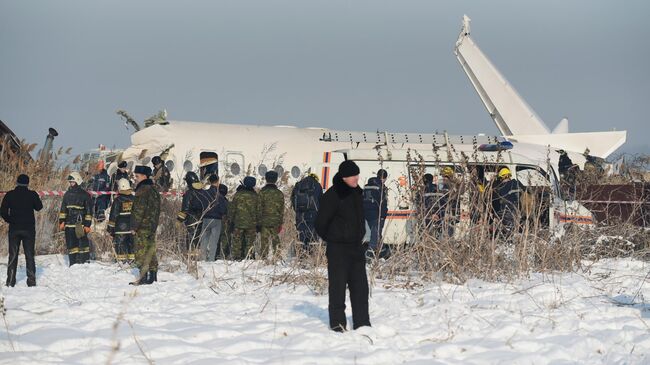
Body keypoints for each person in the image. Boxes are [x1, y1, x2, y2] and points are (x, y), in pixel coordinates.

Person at [315, 160, 370, 332]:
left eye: (357, 174)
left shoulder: (357, 193)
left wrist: (362, 239)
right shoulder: (332, 195)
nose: (357, 178)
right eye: (353, 175)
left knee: (360, 288)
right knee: (337, 288)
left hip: (356, 248)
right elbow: (320, 223)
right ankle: (338, 324)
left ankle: (362, 323)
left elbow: (361, 220)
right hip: (338, 249)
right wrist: (334, 238)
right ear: (344, 177)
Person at [1, 174, 43, 287]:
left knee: (13, 255)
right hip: (29, 229)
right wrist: (35, 197)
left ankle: (10, 281)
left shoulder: (10, 195)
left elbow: (3, 211)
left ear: (17, 182)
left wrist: (9, 220)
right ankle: (31, 281)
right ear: (28, 183)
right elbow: (39, 207)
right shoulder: (32, 194)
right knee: (29, 255)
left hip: (14, 229)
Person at [130, 165, 161, 285]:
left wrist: (134, 227)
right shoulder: (154, 190)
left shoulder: (142, 190)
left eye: (137, 176)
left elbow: (139, 210)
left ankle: (143, 277)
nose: (135, 178)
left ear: (144, 176)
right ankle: (153, 276)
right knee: (150, 250)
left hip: (142, 227)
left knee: (140, 252)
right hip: (151, 226)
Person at [59, 172, 93, 266]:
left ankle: (84, 263)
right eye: (70, 182)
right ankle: (73, 263)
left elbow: (89, 211)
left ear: (78, 181)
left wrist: (87, 225)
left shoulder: (85, 195)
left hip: (80, 225)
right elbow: (63, 209)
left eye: (72, 182)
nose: (71, 184)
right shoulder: (67, 194)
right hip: (69, 225)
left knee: (82, 244)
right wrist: (62, 222)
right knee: (71, 245)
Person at [291, 173, 322, 254]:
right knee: (312, 234)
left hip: (300, 214)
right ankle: (311, 254)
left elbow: (293, 199)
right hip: (313, 214)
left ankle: (300, 254)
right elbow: (321, 200)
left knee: (301, 233)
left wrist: (297, 210)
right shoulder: (317, 185)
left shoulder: (298, 185)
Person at [198, 175, 227, 261]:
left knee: (204, 240)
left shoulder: (204, 193)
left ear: (209, 181)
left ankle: (202, 259)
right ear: (218, 181)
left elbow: (200, 205)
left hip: (205, 218)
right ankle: (211, 259)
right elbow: (223, 209)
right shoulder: (219, 195)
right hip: (216, 219)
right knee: (213, 241)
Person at [229, 176, 259, 260]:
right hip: (251, 224)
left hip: (238, 222)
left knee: (237, 242)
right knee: (250, 242)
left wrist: (231, 221)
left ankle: (236, 258)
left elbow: (232, 209)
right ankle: (249, 257)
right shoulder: (255, 196)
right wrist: (258, 223)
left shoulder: (238, 194)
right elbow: (259, 210)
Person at [258, 171, 285, 261]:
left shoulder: (262, 193)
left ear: (266, 179)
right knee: (276, 240)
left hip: (264, 221)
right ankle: (277, 257)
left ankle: (263, 259)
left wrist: (258, 222)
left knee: (264, 241)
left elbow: (258, 208)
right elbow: (282, 210)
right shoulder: (279, 194)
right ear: (276, 179)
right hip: (276, 221)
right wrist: (281, 223)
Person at [107, 178, 135, 262]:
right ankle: (132, 263)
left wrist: (110, 229)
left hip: (120, 229)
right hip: (132, 228)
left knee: (120, 247)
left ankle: (120, 263)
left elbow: (113, 216)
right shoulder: (134, 199)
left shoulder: (117, 200)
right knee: (131, 246)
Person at [177, 172, 205, 254]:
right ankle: (200, 254)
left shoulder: (189, 193)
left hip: (191, 219)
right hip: (202, 218)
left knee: (191, 237)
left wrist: (179, 220)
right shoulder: (203, 191)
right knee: (199, 237)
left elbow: (185, 209)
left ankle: (191, 256)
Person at [494, 167, 525, 236]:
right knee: (516, 228)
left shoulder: (503, 188)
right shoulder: (517, 184)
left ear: (502, 177)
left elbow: (497, 200)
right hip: (517, 210)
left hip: (507, 211)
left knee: (509, 231)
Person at [362, 176, 387, 255]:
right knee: (374, 237)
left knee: (377, 235)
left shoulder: (365, 189)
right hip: (376, 215)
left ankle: (383, 253)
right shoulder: (380, 189)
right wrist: (383, 216)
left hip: (367, 215)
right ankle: (369, 256)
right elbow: (383, 204)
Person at [217, 183, 231, 259]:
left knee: (216, 239)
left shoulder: (214, 199)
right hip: (224, 222)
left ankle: (217, 254)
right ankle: (226, 255)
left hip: (217, 221)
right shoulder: (225, 201)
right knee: (225, 238)